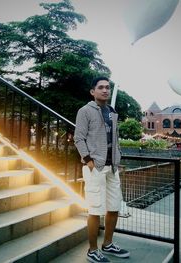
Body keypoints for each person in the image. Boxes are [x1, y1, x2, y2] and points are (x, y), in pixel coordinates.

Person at [74, 76, 130, 263]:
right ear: (93, 91)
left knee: (114, 207)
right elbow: (78, 138)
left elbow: (115, 138)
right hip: (94, 168)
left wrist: (117, 158)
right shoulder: (85, 111)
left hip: (112, 168)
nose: (105, 90)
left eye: (108, 87)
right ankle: (92, 250)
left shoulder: (112, 112)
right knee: (95, 210)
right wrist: (89, 161)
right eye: (101, 87)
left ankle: (108, 244)